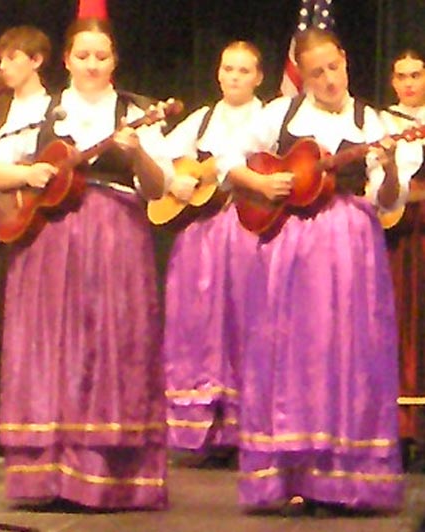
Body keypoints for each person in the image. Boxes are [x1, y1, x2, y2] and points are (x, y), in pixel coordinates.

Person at [219, 28, 420, 514]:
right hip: (290, 247)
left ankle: (345, 479)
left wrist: (390, 167)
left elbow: (387, 197)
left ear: (346, 61)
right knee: (292, 353)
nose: (328, 79)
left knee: (348, 353)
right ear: (302, 77)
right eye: (316, 73)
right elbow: (227, 160)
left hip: (351, 244)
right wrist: (261, 184)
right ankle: (292, 472)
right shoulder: (280, 116)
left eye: (334, 67)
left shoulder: (371, 120)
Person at [0, 17, 170, 510]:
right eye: (82, 56)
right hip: (47, 242)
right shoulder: (42, 110)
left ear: (114, 62)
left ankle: (108, 477)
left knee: (110, 345)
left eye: (101, 57)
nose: (91, 65)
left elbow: (158, 187)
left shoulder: (135, 112)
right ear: (66, 60)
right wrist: (30, 170)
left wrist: (136, 158)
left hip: (116, 241)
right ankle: (45, 478)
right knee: (50, 347)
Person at [161, 41, 262, 464]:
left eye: (244, 70)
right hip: (201, 239)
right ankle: (205, 430)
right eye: (228, 69)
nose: (234, 76)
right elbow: (159, 156)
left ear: (259, 77)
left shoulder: (269, 118)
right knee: (200, 329)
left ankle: (249, 426)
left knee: (246, 324)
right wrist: (174, 181)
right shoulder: (201, 120)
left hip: (250, 233)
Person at [0, 25, 52, 457]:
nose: (2, 68)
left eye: (12, 59)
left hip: (32, 223)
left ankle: (31, 419)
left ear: (36, 61)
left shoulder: (53, 110)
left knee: (29, 324)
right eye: (0, 59)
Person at [382, 49, 425, 469]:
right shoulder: (383, 124)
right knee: (401, 325)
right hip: (398, 240)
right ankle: (403, 427)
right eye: (401, 76)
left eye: (416, 75)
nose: (409, 83)